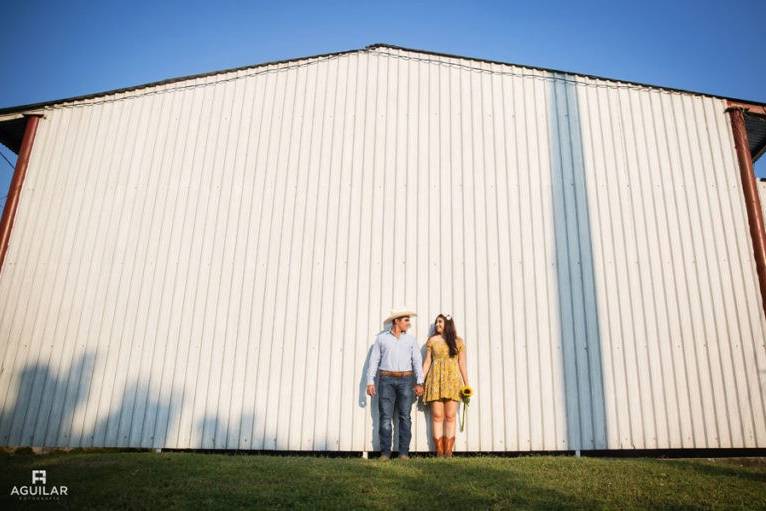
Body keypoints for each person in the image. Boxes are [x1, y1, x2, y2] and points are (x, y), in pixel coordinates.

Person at [366, 308, 425, 460]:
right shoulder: (381, 339)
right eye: (406, 320)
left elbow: (417, 362)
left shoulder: (411, 340)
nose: (409, 323)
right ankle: (385, 453)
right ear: (396, 321)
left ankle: (404, 453)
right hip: (386, 380)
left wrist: (420, 382)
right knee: (385, 417)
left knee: (405, 417)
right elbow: (374, 361)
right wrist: (370, 382)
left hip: (406, 380)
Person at [421, 313, 469, 457]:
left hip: (452, 381)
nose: (437, 325)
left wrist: (467, 385)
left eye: (440, 322)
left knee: (450, 416)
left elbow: (462, 364)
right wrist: (420, 381)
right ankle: (439, 451)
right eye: (436, 323)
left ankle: (448, 451)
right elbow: (427, 362)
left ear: (448, 324)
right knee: (437, 415)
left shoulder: (458, 341)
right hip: (435, 380)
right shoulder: (432, 341)